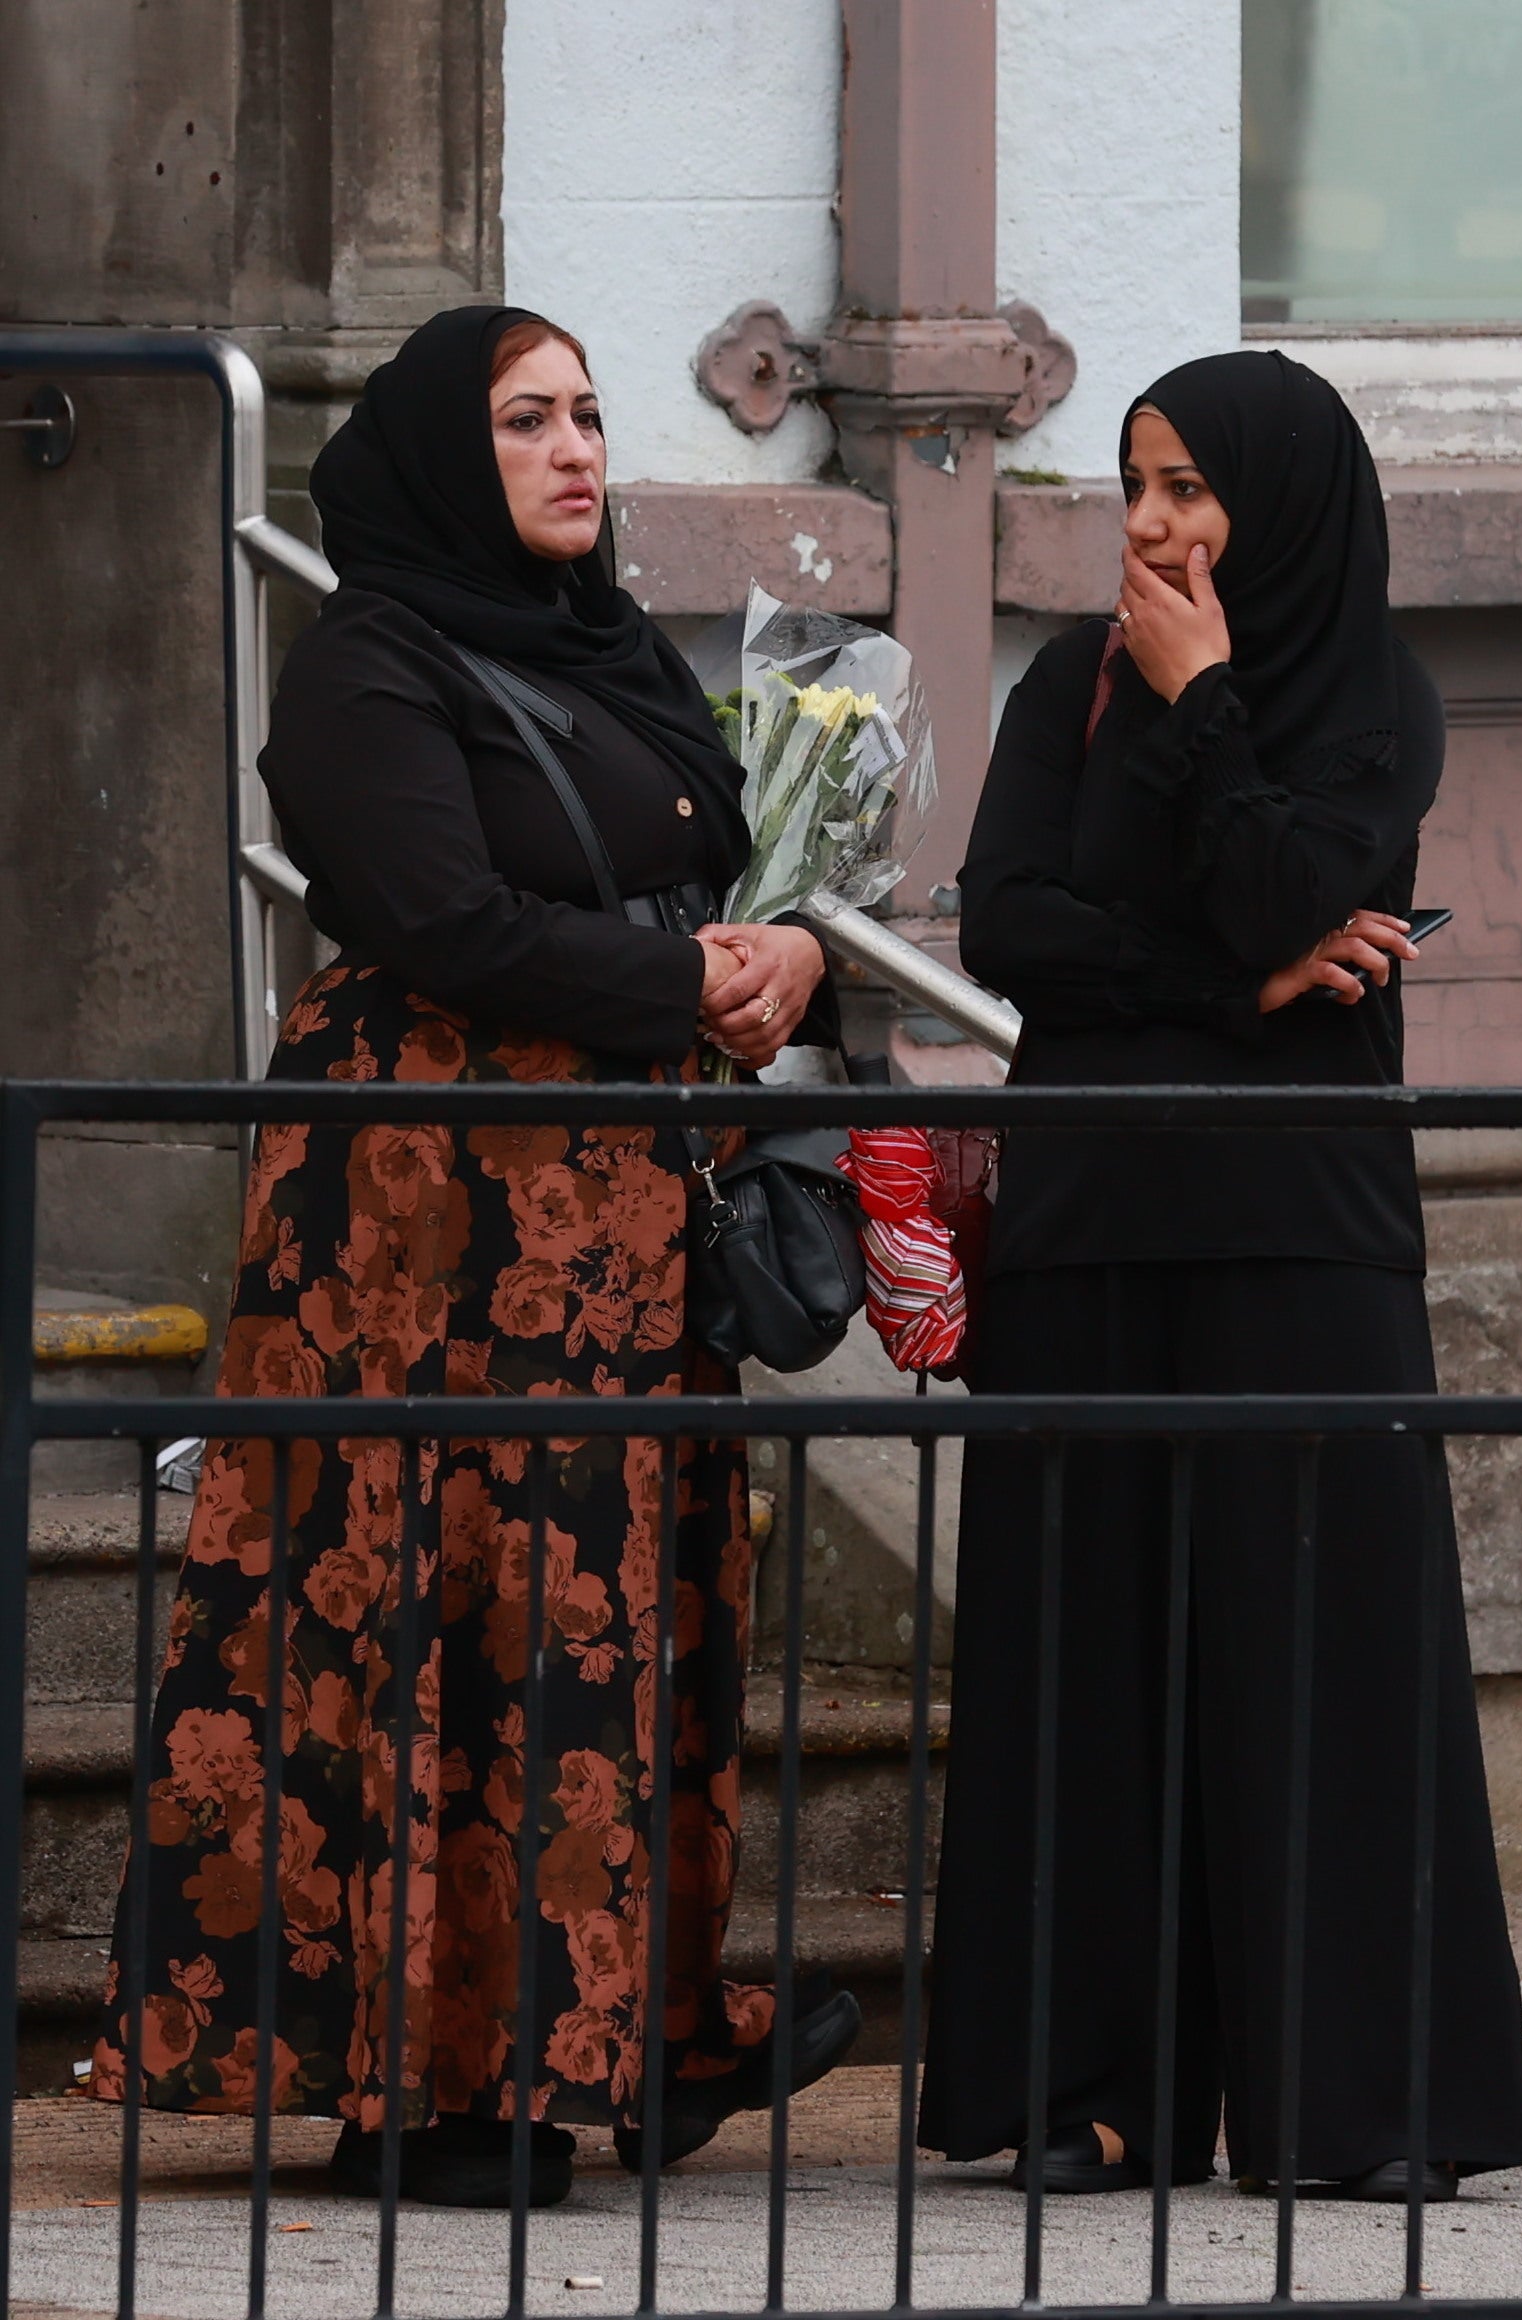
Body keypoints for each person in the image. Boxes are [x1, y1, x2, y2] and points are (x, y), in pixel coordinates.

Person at [88, 304, 859, 2208]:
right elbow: (451, 918)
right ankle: (425, 2086)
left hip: (616, 1218)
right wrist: (685, 975)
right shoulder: (369, 666)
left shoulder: (613, 653)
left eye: (592, 415)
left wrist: (796, 957)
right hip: (431, 1228)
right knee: (437, 1608)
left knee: (610, 1609)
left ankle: (618, 2037)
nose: (579, 449)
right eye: (530, 421)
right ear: (450, 450)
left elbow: (710, 863)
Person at [919, 350, 1522, 2202]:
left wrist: (1203, 707)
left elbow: (1293, 893)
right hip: (1097, 1219)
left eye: (1193, 486)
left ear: (1285, 502)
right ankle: (1097, 2089)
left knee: (1315, 1660)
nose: (1160, 525)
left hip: (1296, 1230)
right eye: (1137, 485)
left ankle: (1350, 2100)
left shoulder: (1372, 700)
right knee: (1086, 1658)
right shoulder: (1063, 685)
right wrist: (1221, 995)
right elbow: (1014, 921)